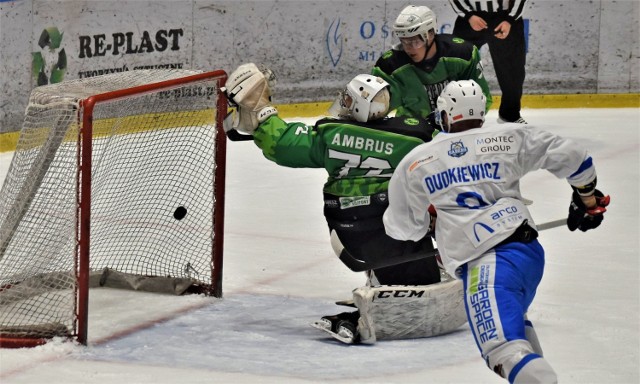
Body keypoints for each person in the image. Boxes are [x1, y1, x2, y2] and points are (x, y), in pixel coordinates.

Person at [222, 63, 466, 344]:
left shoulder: (331, 134)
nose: (344, 103)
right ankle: (396, 279)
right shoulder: (414, 137)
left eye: (350, 99)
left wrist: (262, 113)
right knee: (423, 204)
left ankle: (381, 278)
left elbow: (283, 145)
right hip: (398, 232)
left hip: (347, 234)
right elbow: (452, 163)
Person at [383, 80, 610, 382]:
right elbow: (573, 156)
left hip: (486, 263)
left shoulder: (417, 161)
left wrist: (432, 222)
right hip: (527, 255)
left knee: (504, 352)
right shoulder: (509, 136)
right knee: (519, 337)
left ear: (445, 115)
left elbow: (404, 229)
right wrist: (587, 198)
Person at [372, 4, 492, 123]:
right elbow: (375, 110)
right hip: (414, 132)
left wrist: (460, 124)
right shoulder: (390, 66)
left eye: (414, 41)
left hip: (456, 128)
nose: (408, 48)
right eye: (404, 41)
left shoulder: (462, 54)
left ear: (430, 34)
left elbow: (482, 98)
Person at [448, 0, 529, 124]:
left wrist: (510, 19)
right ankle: (454, 114)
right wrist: (468, 15)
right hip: (470, 19)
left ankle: (510, 115)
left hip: (505, 19)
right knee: (457, 66)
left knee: (513, 71)